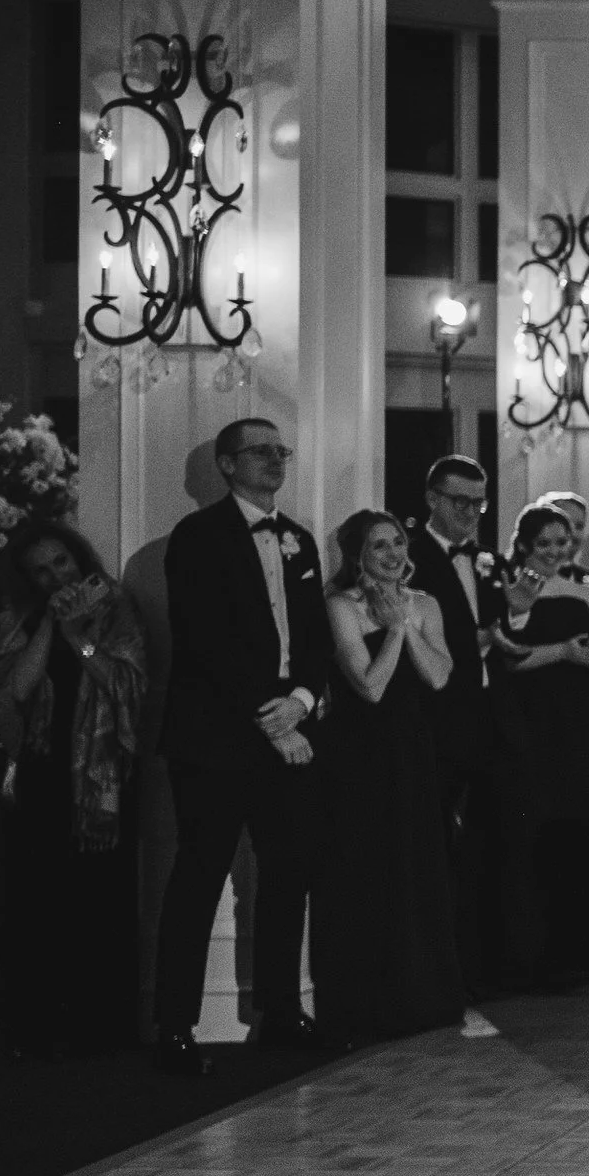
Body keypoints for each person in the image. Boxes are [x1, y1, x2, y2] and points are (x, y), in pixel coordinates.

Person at [152, 417, 330, 1074]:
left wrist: (304, 702)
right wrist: (274, 721)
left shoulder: (299, 540)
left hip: (291, 723)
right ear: (227, 465)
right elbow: (206, 643)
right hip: (216, 736)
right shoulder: (196, 538)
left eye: (281, 449)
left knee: (289, 871)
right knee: (201, 875)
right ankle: (174, 1023)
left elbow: (313, 640)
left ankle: (281, 1012)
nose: (276, 459)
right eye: (260, 450)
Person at [0, 523, 146, 1059]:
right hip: (44, 769)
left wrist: (82, 642)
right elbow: (17, 688)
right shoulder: (31, 619)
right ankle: (37, 1029)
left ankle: (100, 1028)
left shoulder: (117, 607)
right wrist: (55, 628)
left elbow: (126, 684)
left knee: (98, 902)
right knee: (38, 900)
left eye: (62, 562)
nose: (57, 574)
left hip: (99, 776)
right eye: (43, 569)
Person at [311, 510, 466, 1041]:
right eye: (380, 546)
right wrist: (397, 628)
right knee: (368, 870)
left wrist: (408, 619)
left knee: (416, 867)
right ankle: (365, 1006)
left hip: (412, 751)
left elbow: (440, 677)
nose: (393, 554)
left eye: (398, 543)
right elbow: (371, 687)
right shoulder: (341, 606)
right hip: (360, 755)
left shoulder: (428, 603)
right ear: (358, 555)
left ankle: (422, 1000)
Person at [486, 505, 589, 988]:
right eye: (544, 542)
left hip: (578, 721)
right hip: (527, 721)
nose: (554, 551)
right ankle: (534, 950)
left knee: (581, 823)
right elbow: (507, 658)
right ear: (524, 544)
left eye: (562, 542)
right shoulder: (508, 588)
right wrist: (565, 652)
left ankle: (584, 946)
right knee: (534, 828)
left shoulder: (583, 594)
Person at [405, 455, 496, 989]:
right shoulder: (410, 559)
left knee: (486, 842)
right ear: (433, 500)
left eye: (478, 502)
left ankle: (484, 958)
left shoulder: (490, 560)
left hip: (488, 718)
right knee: (436, 842)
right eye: (460, 501)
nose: (470, 512)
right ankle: (441, 965)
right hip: (436, 718)